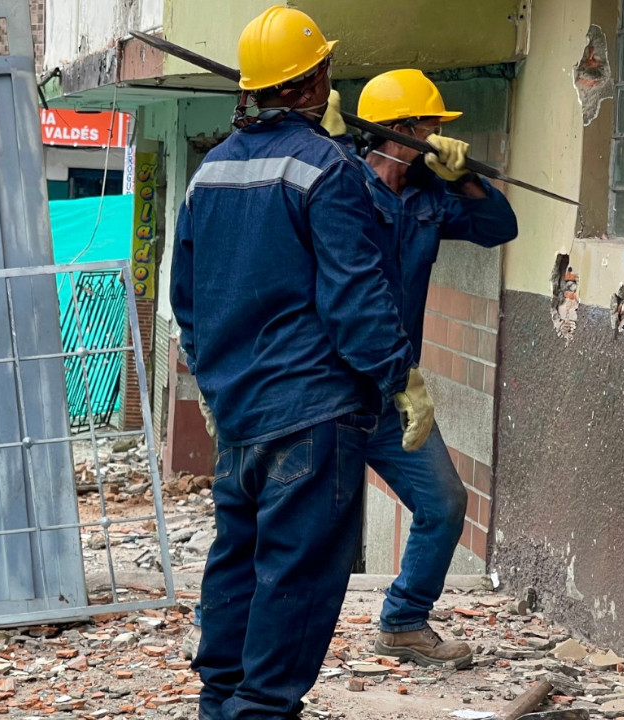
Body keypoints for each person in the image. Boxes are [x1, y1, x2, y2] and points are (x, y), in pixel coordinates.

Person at [171, 7, 435, 720]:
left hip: (239, 414)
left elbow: (187, 300)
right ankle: (260, 710)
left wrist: (211, 381)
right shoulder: (326, 169)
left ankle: (219, 702)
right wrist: (400, 380)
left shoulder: (210, 173)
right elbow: (355, 297)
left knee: (238, 560)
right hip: (313, 416)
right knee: (297, 576)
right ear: (315, 78)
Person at [353, 69, 518, 667]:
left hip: (395, 396)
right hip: (330, 392)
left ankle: (402, 621)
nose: (438, 134)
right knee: (305, 521)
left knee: (444, 501)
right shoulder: (340, 191)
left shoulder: (427, 199)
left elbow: (500, 228)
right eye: (429, 126)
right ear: (402, 131)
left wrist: (465, 176)